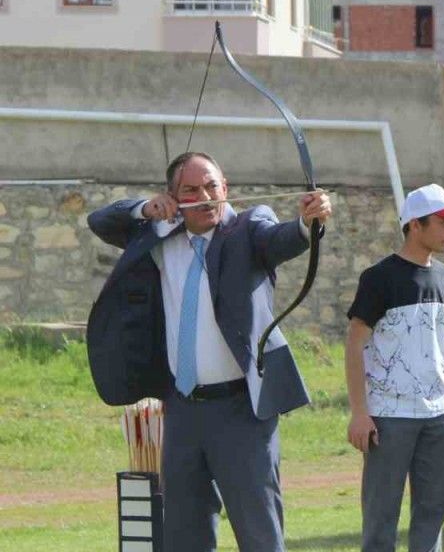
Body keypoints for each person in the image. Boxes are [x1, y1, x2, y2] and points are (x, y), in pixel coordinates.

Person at [86, 151, 331, 552]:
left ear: (225, 187)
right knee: (184, 534)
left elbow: (281, 239)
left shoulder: (249, 228)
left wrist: (308, 223)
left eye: (212, 186)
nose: (204, 197)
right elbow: (100, 220)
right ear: (172, 197)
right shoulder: (159, 235)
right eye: (191, 190)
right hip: (182, 409)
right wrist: (145, 209)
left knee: (259, 534)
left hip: (242, 410)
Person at [345, 184, 444, 552]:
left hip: (437, 415)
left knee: (433, 510)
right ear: (415, 225)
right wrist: (360, 413)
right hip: (389, 415)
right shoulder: (378, 277)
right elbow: (355, 343)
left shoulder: (443, 275)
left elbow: (438, 343)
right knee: (381, 515)